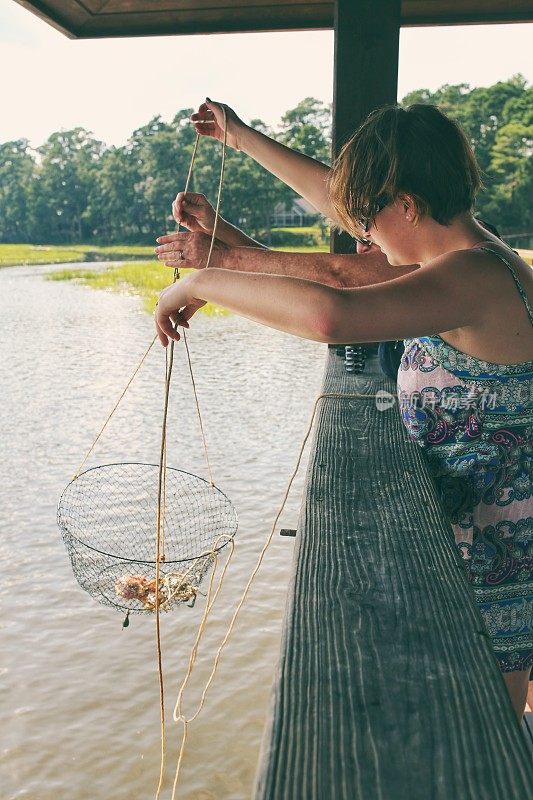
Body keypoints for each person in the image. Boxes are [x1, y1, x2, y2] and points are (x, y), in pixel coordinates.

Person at [154, 102, 533, 721]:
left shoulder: (470, 277)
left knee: (490, 734)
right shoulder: (475, 251)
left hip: (498, 546)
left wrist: (199, 281)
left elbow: (333, 315)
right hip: (489, 527)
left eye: (369, 220)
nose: (363, 236)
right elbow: (342, 212)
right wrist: (243, 138)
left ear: (408, 206)